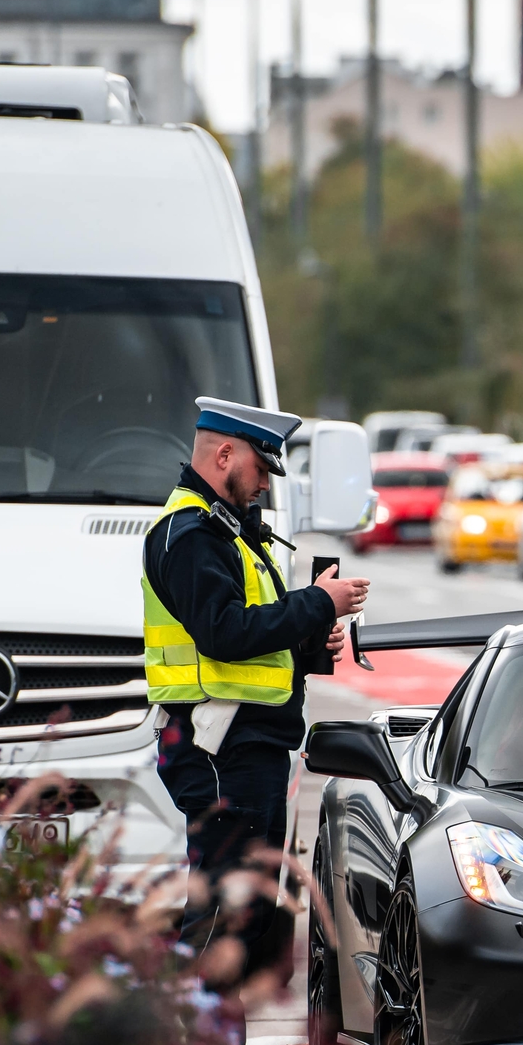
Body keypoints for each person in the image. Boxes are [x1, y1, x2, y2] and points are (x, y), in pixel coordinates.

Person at [142, 397, 370, 977]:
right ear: (225, 455)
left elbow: (251, 637)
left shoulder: (228, 533)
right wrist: (318, 601)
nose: (266, 485)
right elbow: (223, 632)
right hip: (219, 747)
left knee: (245, 913)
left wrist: (310, 641)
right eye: (261, 469)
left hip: (246, 744)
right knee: (223, 913)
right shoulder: (190, 535)